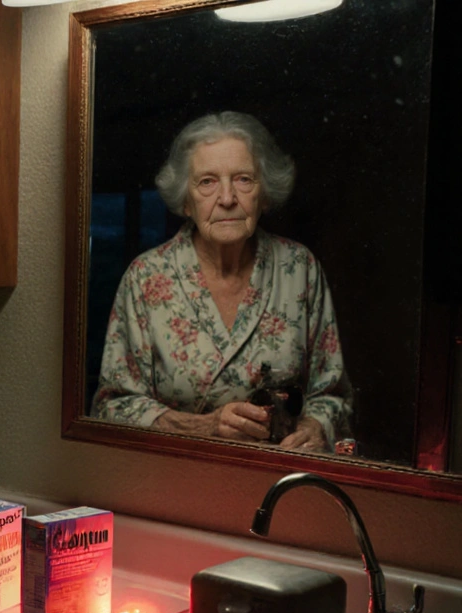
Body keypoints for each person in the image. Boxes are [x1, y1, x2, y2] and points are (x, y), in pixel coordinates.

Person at [92, 111, 351, 451]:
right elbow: (112, 408)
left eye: (244, 179)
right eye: (207, 182)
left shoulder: (300, 268)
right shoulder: (146, 277)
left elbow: (332, 396)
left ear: (266, 193)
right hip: (173, 479)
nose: (227, 198)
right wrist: (205, 427)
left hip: (279, 479)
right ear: (186, 201)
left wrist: (316, 427)